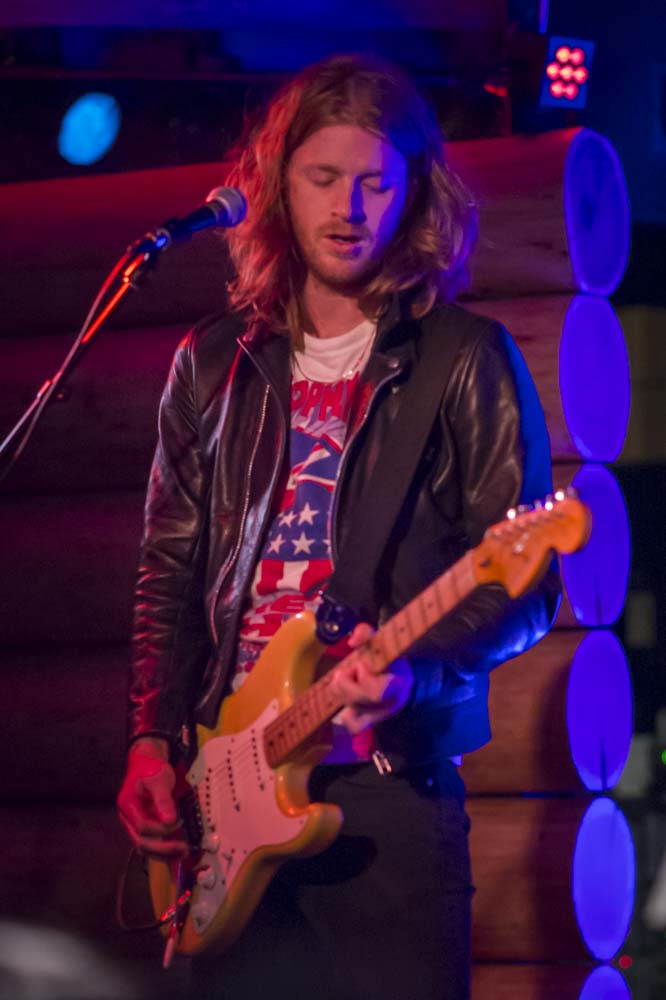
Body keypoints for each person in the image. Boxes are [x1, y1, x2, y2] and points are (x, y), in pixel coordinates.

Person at [117, 54, 560, 1000]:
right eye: (323, 178)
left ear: (414, 194)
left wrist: (418, 673)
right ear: (278, 184)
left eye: (375, 182)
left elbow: (528, 587)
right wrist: (151, 742)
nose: (348, 207)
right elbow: (169, 567)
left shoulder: (462, 359)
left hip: (384, 793)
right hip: (222, 784)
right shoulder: (214, 364)